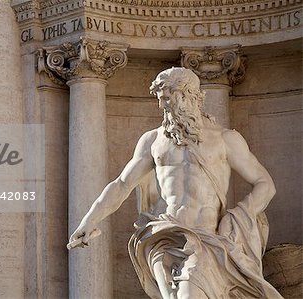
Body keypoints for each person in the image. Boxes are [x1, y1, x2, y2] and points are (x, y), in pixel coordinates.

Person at [68, 67, 282, 298]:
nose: (162, 106)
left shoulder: (225, 139)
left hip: (205, 239)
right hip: (163, 237)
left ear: (185, 95)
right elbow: (121, 184)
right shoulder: (153, 140)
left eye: (166, 98)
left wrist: (239, 214)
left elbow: (264, 184)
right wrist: (89, 220)